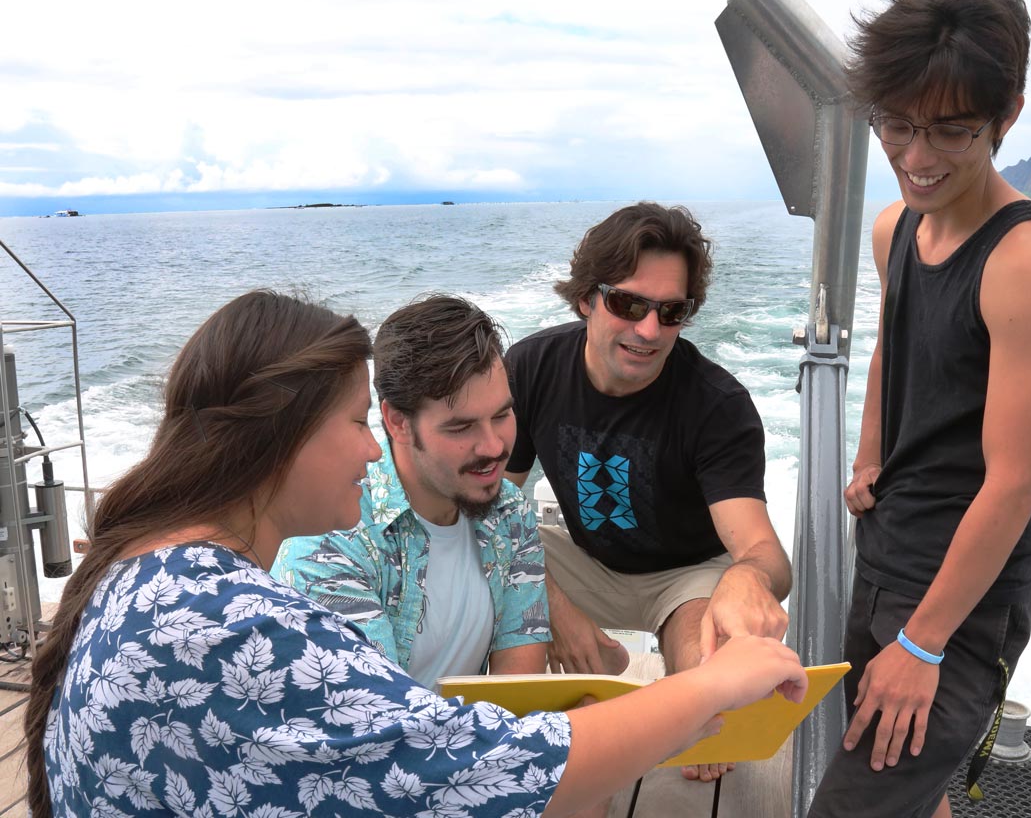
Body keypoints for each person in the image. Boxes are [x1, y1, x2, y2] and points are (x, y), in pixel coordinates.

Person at [25, 290, 809, 818]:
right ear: (280, 440)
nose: (368, 451)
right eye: (356, 421)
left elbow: (504, 719)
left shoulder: (157, 577)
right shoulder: (225, 623)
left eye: (503, 418)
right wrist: (711, 689)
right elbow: (466, 765)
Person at [808, 0, 1031, 817]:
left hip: (961, 599)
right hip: (888, 549)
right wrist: (870, 453)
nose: (916, 154)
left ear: (1006, 115)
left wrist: (922, 642)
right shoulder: (894, 228)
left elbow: (1014, 484)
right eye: (896, 124)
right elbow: (889, 348)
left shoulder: (1030, 264)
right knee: (910, 791)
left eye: (950, 129)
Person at [504, 201, 792, 782]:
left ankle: (667, 694)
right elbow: (491, 508)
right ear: (587, 297)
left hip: (683, 576)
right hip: (582, 557)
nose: (648, 330)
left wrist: (748, 576)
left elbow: (767, 556)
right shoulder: (533, 367)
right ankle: (526, 739)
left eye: (671, 311)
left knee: (709, 687)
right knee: (478, 556)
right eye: (628, 303)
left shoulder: (717, 405)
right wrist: (551, 607)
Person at [273, 295, 550, 687]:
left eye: (502, 415)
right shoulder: (331, 542)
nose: (493, 447)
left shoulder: (511, 513)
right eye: (461, 427)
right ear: (398, 422)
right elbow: (380, 717)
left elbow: (519, 690)